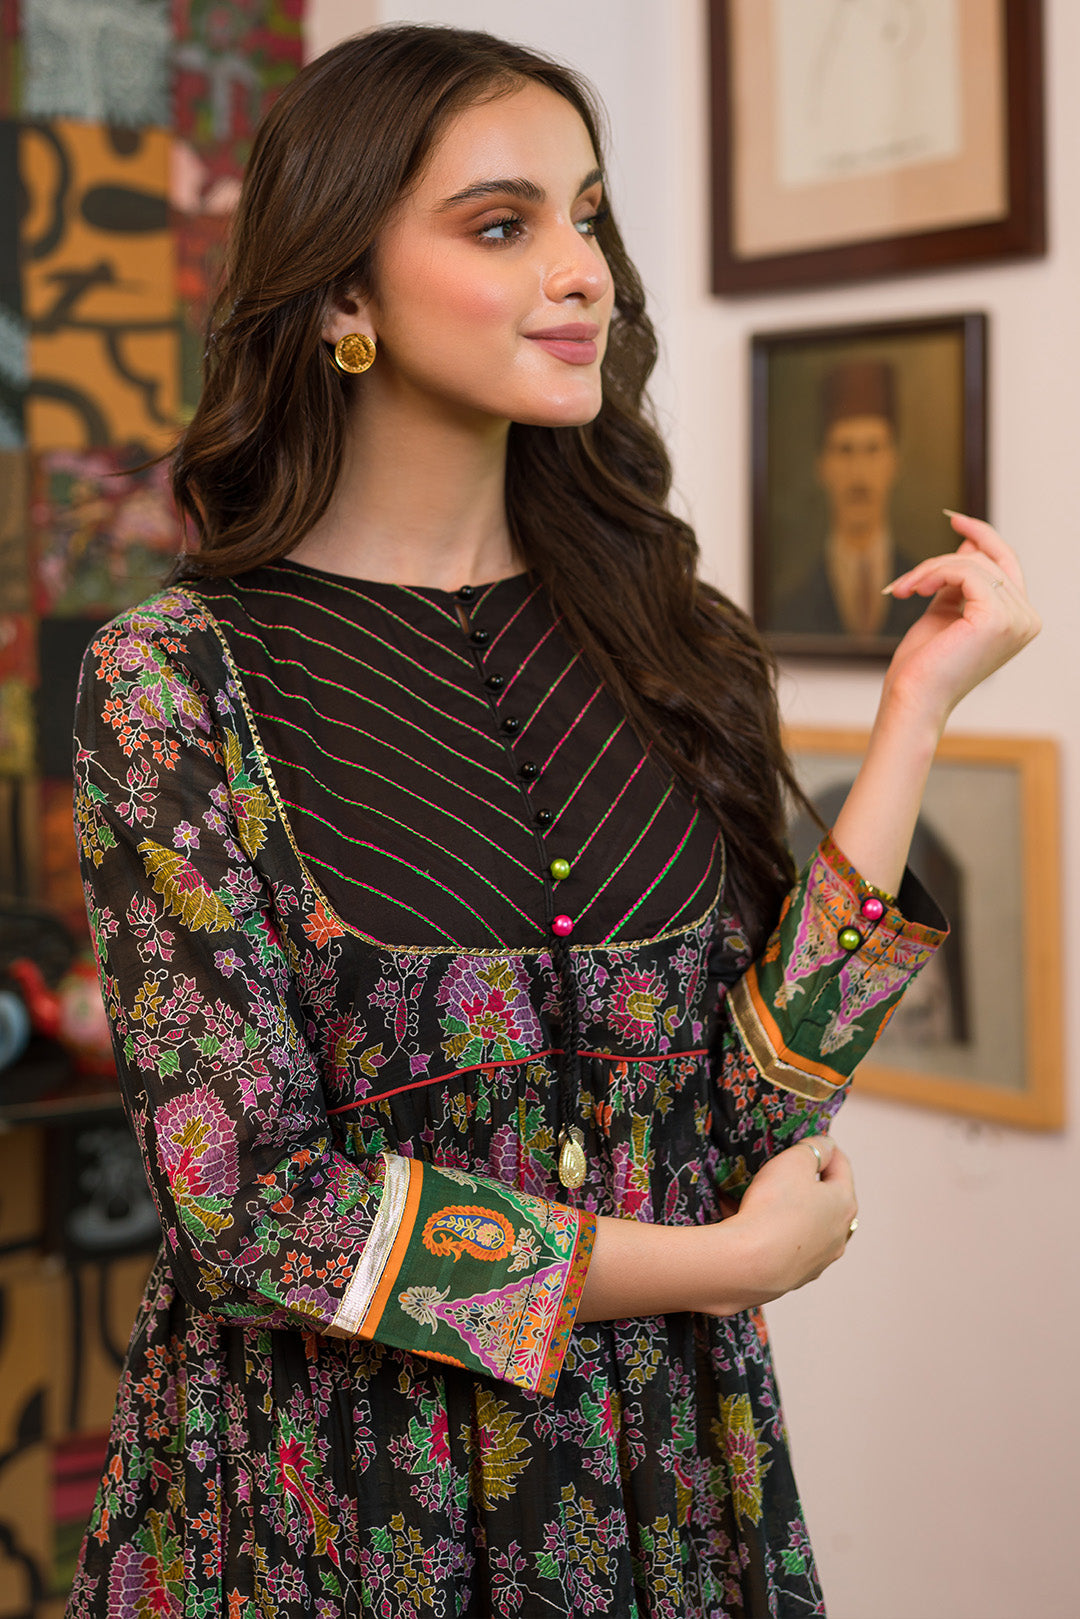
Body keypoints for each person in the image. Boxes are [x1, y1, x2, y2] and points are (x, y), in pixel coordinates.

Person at [65, 24, 1038, 1618]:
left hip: (671, 1470)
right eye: (503, 224)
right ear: (345, 294)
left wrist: (915, 719)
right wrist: (721, 1265)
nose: (581, 269)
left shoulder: (666, 635)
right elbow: (252, 1201)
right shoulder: (173, 678)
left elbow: (749, 1107)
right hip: (335, 1502)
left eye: (587, 215)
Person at [770, 359, 926, 643]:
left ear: (894, 462)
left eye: (872, 449)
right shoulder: (790, 608)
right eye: (845, 450)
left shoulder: (929, 599)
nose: (858, 473)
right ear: (822, 466)